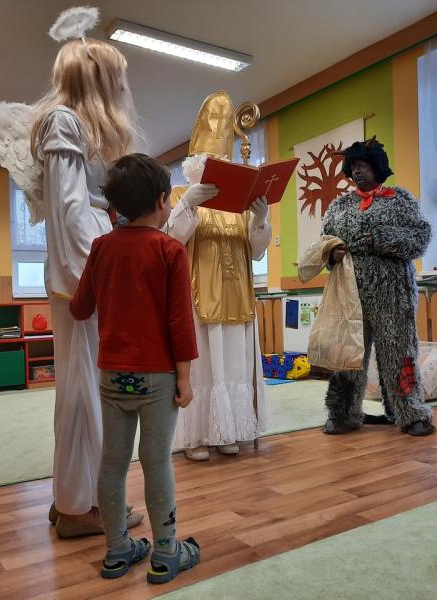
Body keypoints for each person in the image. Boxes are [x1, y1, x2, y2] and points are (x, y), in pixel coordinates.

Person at [70, 154, 201, 583]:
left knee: (112, 463)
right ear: (162, 200)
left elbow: (80, 308)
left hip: (112, 376)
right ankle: (165, 553)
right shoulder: (169, 249)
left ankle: (116, 551)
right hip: (159, 379)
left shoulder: (102, 247)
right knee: (156, 460)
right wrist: (184, 379)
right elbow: (180, 322)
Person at [30, 37, 143, 536]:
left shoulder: (71, 125)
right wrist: (95, 283)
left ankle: (76, 497)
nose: (122, 88)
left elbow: (77, 209)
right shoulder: (64, 121)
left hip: (84, 270)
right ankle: (81, 508)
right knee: (83, 392)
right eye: (117, 78)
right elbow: (71, 212)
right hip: (81, 277)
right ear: (98, 79)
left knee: (84, 390)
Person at [166, 91, 271, 461]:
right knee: (204, 368)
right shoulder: (181, 194)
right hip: (199, 298)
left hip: (237, 296)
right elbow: (170, 241)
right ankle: (196, 437)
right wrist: (187, 204)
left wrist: (260, 219)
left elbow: (256, 251)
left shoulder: (238, 204)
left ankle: (230, 430)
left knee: (234, 365)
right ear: (197, 165)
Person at [320, 137, 435, 436]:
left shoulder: (400, 200)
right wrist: (332, 254)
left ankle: (411, 412)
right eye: (354, 166)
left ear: (377, 167)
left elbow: (420, 238)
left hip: (393, 292)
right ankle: (343, 414)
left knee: (398, 350)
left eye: (364, 165)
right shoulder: (339, 206)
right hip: (350, 292)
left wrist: (382, 238)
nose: (358, 171)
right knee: (349, 353)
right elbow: (324, 242)